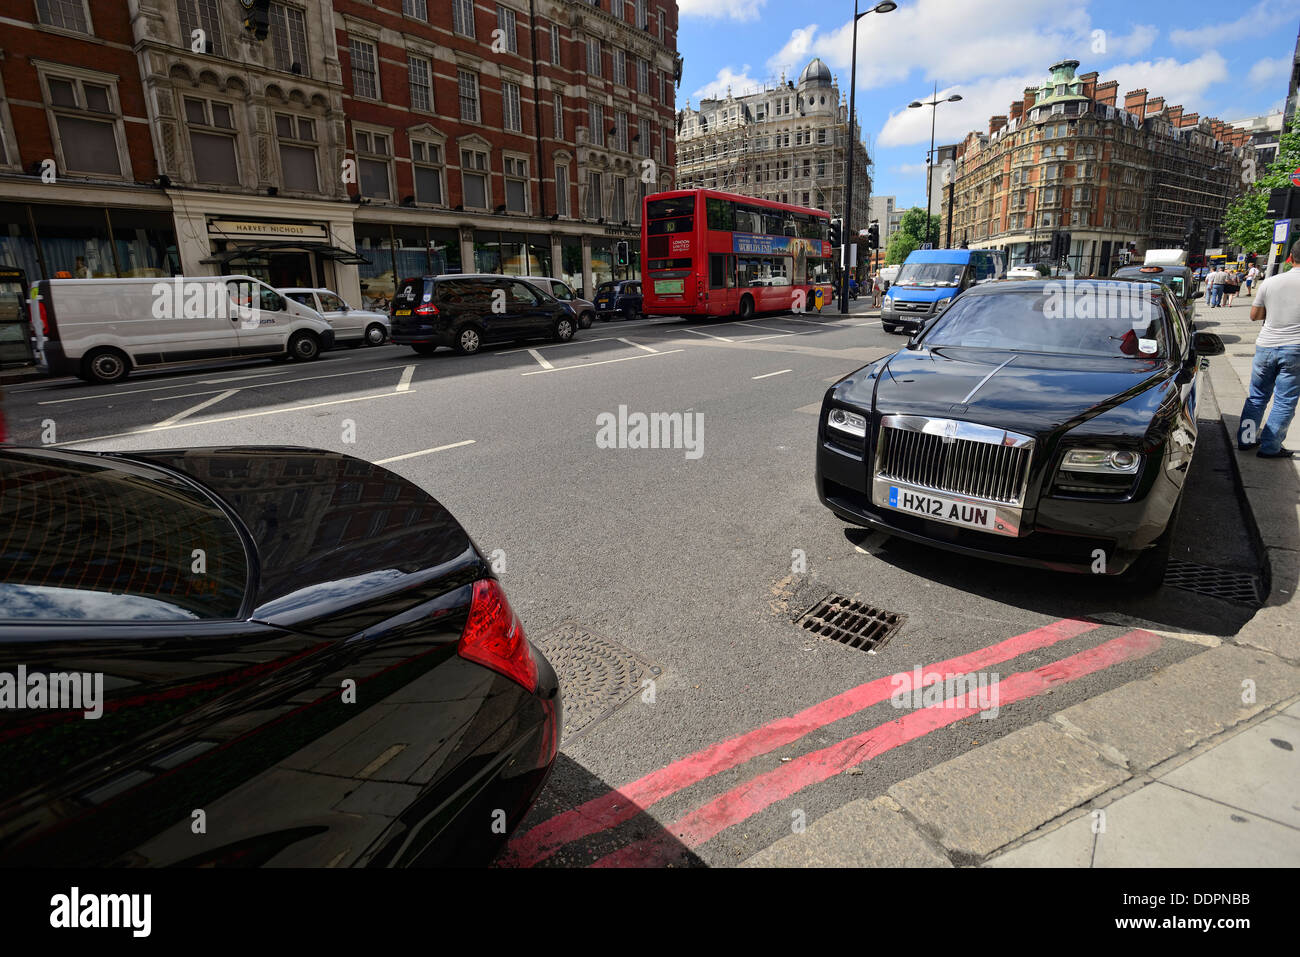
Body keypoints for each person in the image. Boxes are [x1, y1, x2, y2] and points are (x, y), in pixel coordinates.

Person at [1239, 238, 1300, 458]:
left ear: (1290, 257)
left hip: (1266, 345)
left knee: (1256, 396)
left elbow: (1254, 315)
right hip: (1295, 348)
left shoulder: (1270, 282)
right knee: (1285, 400)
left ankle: (1246, 440)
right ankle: (1270, 447)